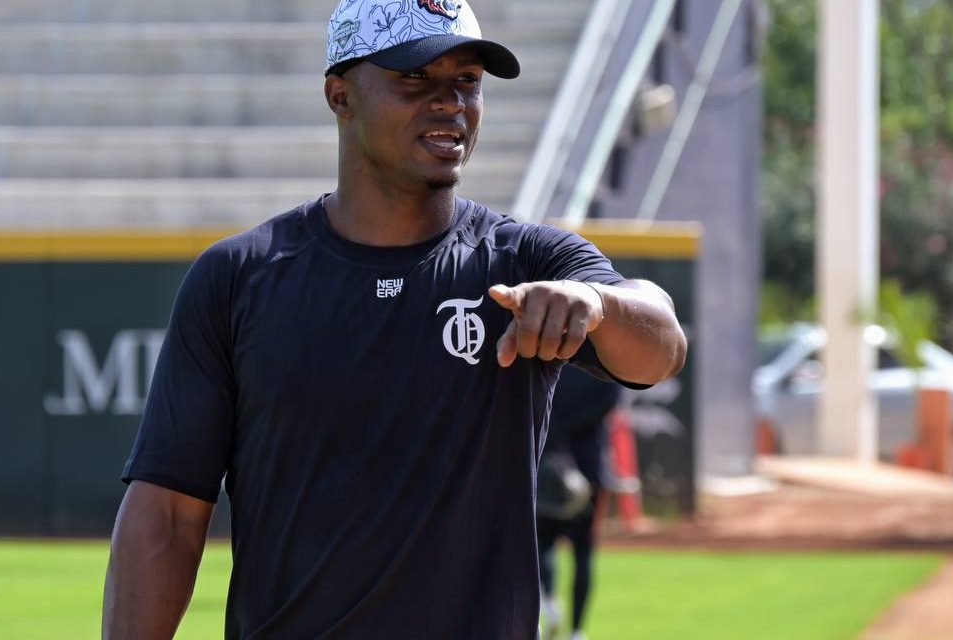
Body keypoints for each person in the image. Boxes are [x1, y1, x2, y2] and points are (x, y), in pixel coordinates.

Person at [102, 1, 687, 638]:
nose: (449, 102)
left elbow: (659, 346)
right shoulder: (238, 276)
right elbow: (166, 513)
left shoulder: (528, 259)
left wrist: (601, 304)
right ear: (339, 94)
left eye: (467, 81)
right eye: (415, 78)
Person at [535, 366, 622, 640]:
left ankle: (549, 602)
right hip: (589, 463)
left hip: (547, 458)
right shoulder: (602, 360)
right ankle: (576, 631)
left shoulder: (550, 354)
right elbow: (611, 397)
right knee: (583, 549)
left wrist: (557, 438)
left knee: (542, 542)